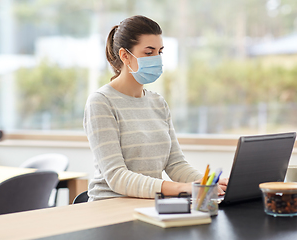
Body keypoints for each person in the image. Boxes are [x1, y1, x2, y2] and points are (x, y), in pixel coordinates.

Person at [84, 15, 228, 201]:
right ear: (125, 55)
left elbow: (175, 164)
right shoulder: (101, 102)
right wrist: (183, 188)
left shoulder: (158, 102)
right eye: (149, 52)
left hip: (149, 205)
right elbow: (116, 177)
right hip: (110, 206)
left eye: (160, 51)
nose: (157, 59)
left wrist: (207, 183)